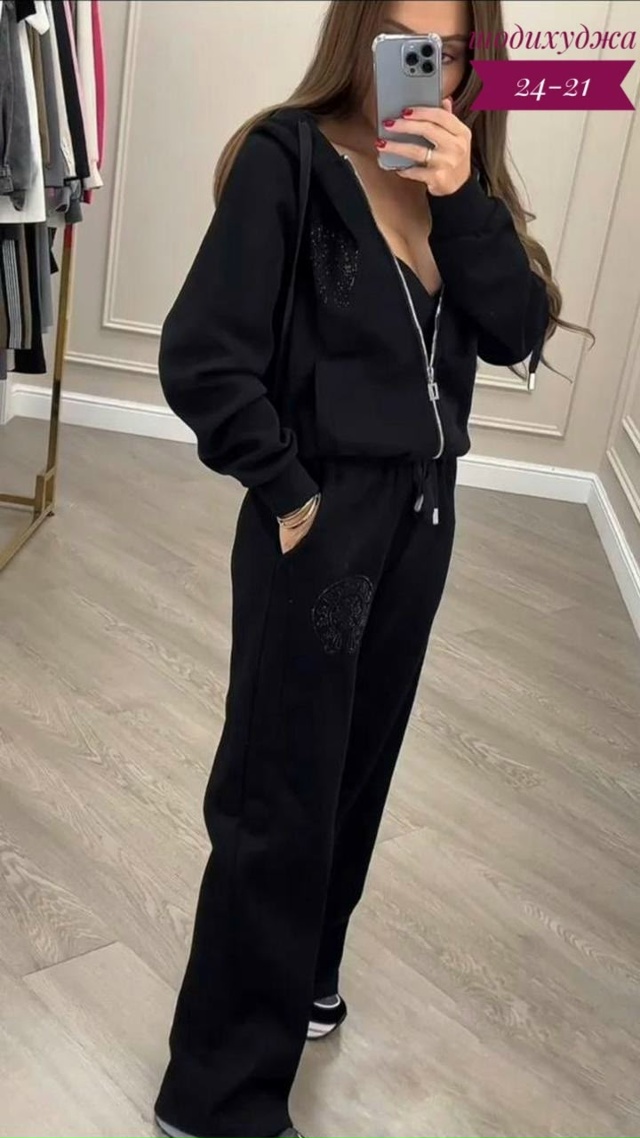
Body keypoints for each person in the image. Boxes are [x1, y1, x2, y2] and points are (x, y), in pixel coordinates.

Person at [153, 2, 574, 1136]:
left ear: (474, 58)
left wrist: (464, 198)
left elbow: (516, 329)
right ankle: (218, 1096)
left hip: (423, 521)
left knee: (357, 767)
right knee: (279, 788)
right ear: (359, 33)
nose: (423, 64)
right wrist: (289, 491)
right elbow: (202, 356)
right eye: (400, 34)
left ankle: (307, 972)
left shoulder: (462, 182)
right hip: (318, 519)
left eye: (449, 45)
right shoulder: (285, 159)